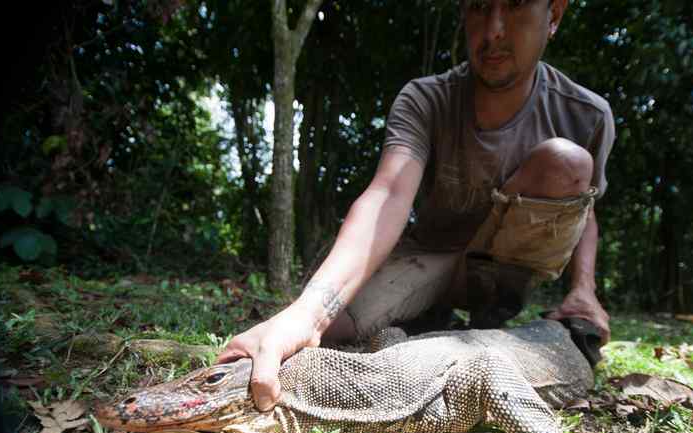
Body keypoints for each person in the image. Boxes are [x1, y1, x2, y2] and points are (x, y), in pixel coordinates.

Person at [218, 0, 615, 411]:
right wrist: (307, 315)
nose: (494, 29)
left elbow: (583, 210)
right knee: (337, 328)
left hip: (504, 271)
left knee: (567, 163)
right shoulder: (426, 99)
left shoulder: (586, 115)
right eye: (479, 7)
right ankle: (429, 315)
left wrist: (583, 290)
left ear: (554, 15)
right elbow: (388, 193)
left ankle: (482, 312)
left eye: (515, 6)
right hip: (432, 255)